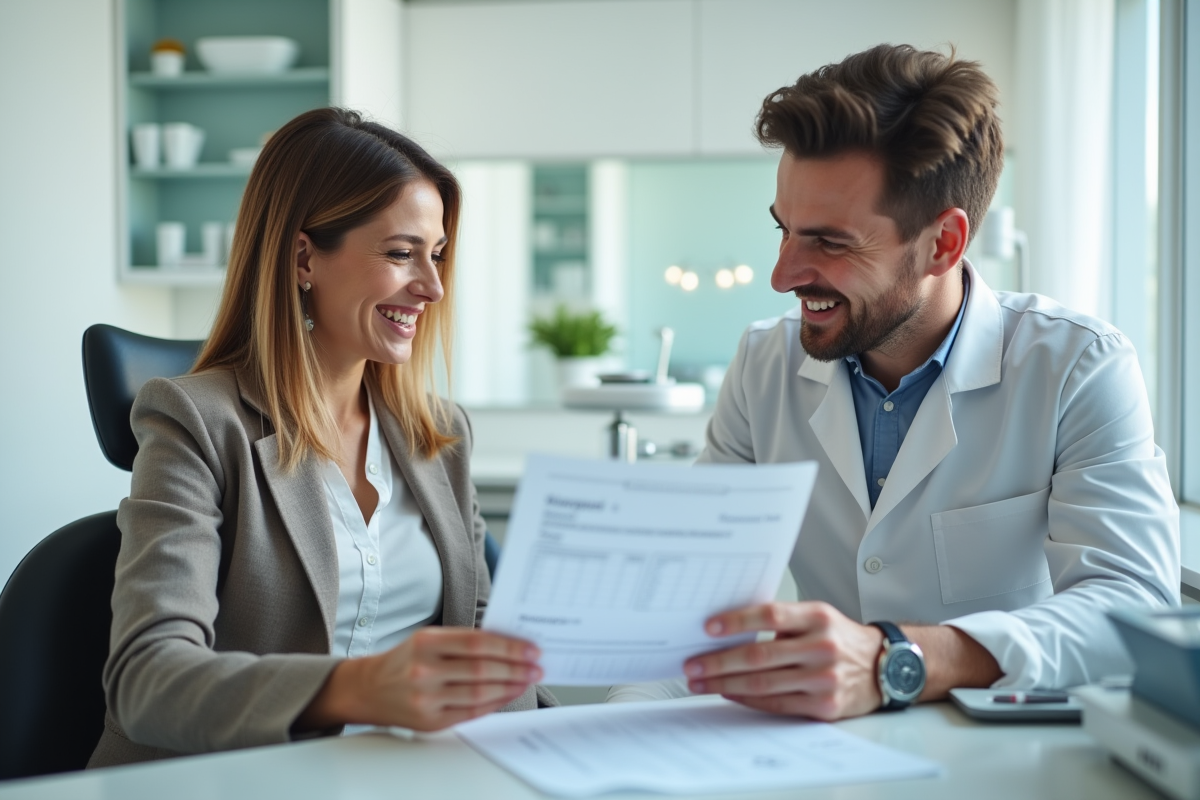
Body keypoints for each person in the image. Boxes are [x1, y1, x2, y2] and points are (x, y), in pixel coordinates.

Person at [611, 44, 1180, 719]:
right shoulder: (765, 364)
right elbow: (692, 605)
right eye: (783, 230)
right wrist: (613, 732)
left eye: (828, 241)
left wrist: (895, 660)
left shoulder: (1077, 366)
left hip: (1003, 758)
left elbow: (1131, 608)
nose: (782, 274)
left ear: (943, 243)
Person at [90, 108, 554, 768]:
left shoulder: (442, 433)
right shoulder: (195, 420)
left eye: (438, 255)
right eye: (401, 254)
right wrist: (359, 689)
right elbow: (146, 681)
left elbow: (482, 637)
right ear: (304, 256)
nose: (432, 286)